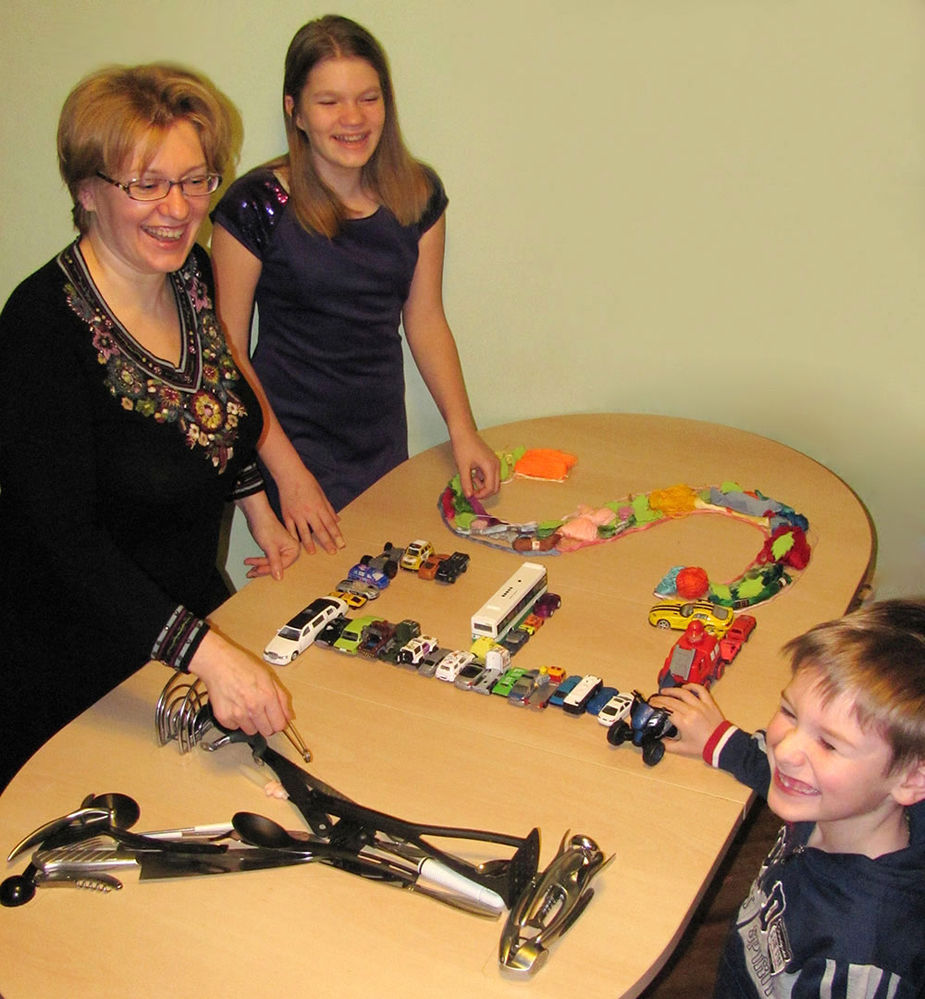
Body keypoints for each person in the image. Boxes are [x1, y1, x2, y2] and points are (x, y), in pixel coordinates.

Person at [0, 64, 298, 792]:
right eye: (148, 184)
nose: (179, 207)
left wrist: (261, 510)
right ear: (87, 190)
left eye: (195, 180)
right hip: (71, 672)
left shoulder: (190, 274)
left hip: (180, 644)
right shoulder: (40, 326)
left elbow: (213, 404)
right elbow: (67, 541)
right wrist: (209, 653)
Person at [211, 14, 500, 555]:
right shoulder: (255, 206)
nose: (353, 118)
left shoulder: (418, 194)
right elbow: (227, 354)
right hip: (287, 442)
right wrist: (290, 475)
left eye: (369, 98)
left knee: (382, 583)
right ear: (295, 110)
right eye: (329, 101)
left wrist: (463, 430)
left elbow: (425, 319)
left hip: (379, 440)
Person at [653, 599, 925, 998]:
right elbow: (777, 769)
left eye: (829, 744)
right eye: (790, 713)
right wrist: (718, 741)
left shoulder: (858, 959)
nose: (786, 750)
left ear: (912, 778)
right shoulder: (837, 802)